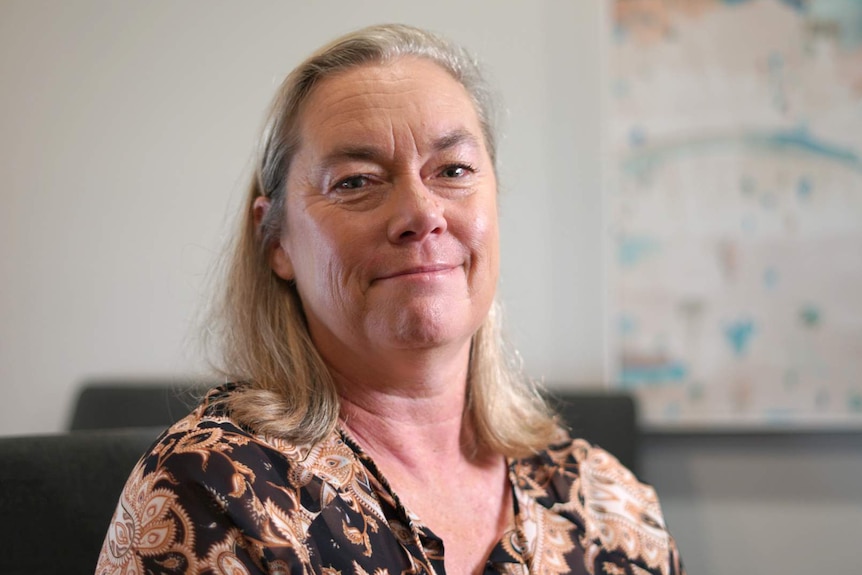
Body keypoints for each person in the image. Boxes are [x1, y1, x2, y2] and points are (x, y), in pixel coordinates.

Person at [96, 24, 684, 575]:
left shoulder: (613, 509)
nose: (422, 214)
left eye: (452, 169)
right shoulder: (213, 492)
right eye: (355, 181)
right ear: (276, 241)